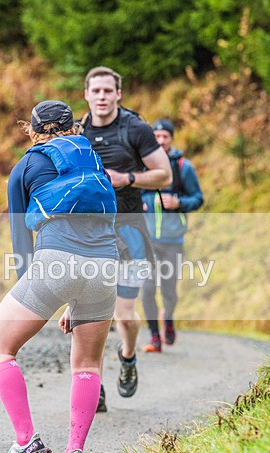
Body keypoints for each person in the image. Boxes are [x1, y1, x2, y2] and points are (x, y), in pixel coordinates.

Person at [0, 100, 119, 453]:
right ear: (73, 127)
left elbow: (21, 243)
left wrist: (43, 292)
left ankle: (25, 442)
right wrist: (70, 295)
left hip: (55, 262)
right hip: (106, 265)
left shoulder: (26, 165)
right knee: (88, 364)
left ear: (32, 130)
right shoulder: (93, 160)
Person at [80, 66, 172, 412]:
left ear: (118, 94)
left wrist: (128, 178)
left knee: (124, 314)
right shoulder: (78, 132)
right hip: (89, 234)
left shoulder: (135, 129)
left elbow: (164, 174)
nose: (102, 97)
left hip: (129, 232)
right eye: (96, 91)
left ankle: (128, 355)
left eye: (108, 91)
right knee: (88, 313)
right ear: (86, 94)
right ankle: (93, 383)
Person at [141, 119, 204, 352]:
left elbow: (198, 198)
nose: (160, 141)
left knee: (169, 291)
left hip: (172, 240)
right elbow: (132, 196)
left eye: (164, 136)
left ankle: (168, 318)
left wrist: (178, 202)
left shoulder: (182, 167)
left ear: (171, 139)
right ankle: (154, 336)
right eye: (156, 136)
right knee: (147, 288)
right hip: (147, 239)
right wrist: (148, 201)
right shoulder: (144, 165)